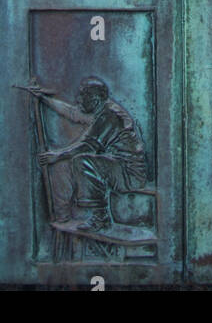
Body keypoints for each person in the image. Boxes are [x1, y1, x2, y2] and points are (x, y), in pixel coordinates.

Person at [21, 77, 147, 233]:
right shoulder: (102, 109)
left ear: (94, 100)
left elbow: (86, 146)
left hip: (128, 174)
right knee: (75, 163)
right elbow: (72, 112)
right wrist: (44, 99)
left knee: (81, 161)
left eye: (82, 96)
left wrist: (56, 155)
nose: (78, 99)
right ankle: (72, 215)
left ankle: (100, 218)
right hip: (119, 168)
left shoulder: (109, 115)